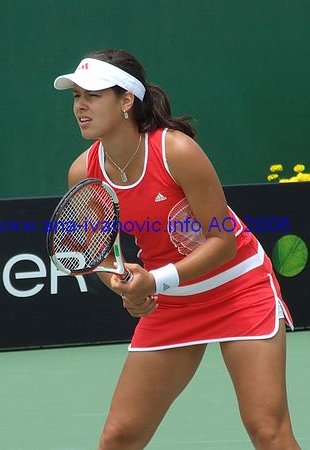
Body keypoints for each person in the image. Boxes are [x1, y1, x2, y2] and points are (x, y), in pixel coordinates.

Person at [54, 49, 300, 450]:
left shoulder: (176, 151)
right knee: (119, 437)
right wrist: (123, 283)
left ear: (126, 100)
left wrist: (155, 279)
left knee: (267, 431)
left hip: (239, 290)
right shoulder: (84, 171)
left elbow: (222, 242)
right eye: (76, 96)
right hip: (173, 304)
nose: (80, 105)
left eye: (93, 95)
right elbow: (91, 252)